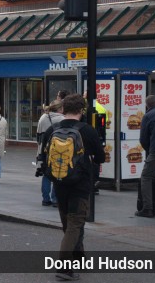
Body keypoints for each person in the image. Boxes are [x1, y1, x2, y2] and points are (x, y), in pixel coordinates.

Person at [41, 93, 105, 281]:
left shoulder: (52, 129)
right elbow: (100, 157)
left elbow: (44, 157)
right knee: (75, 223)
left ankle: (79, 258)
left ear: (63, 109)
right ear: (81, 110)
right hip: (80, 184)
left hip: (59, 183)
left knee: (68, 224)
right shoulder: (88, 131)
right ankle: (64, 267)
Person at [36, 100, 64, 206]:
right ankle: (55, 199)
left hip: (43, 150)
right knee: (57, 174)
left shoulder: (43, 118)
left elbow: (38, 136)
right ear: (60, 109)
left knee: (46, 175)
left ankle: (45, 199)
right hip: (58, 150)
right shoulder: (62, 119)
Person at [136, 95, 155, 218]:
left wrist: (150, 151)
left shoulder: (148, 116)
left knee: (146, 176)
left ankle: (147, 208)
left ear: (147, 106)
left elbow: (143, 139)